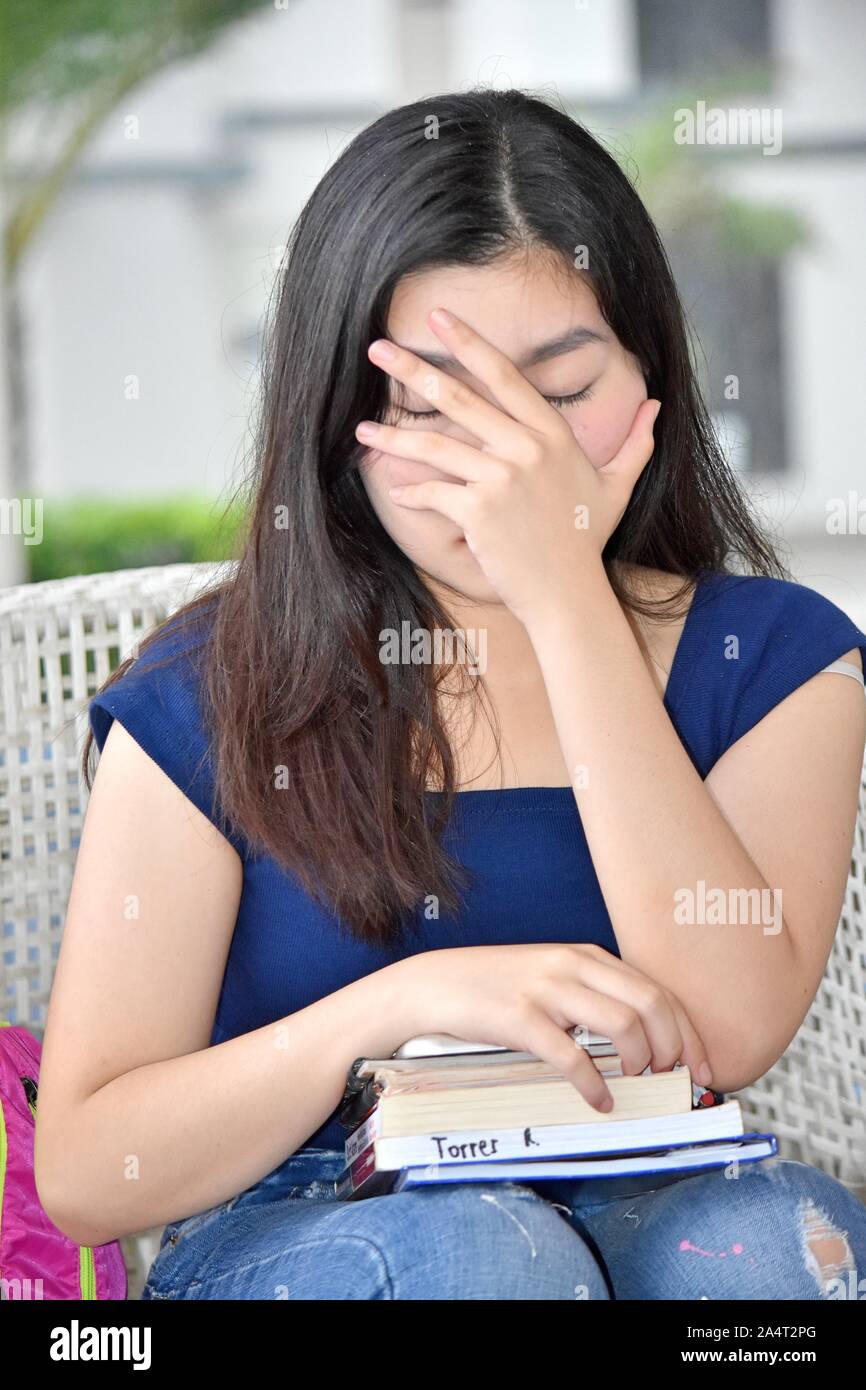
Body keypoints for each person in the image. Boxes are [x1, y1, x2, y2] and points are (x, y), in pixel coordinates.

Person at [34, 88, 866, 1300]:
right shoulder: (210, 688)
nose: (504, 461)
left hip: (649, 1187)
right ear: (341, 418)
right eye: (432, 404)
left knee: (776, 1245)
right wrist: (393, 1008)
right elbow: (88, 1167)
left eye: (559, 390)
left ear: (650, 385)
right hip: (312, 1224)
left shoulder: (774, 660)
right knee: (483, 1253)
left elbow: (729, 1028)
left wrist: (562, 596)